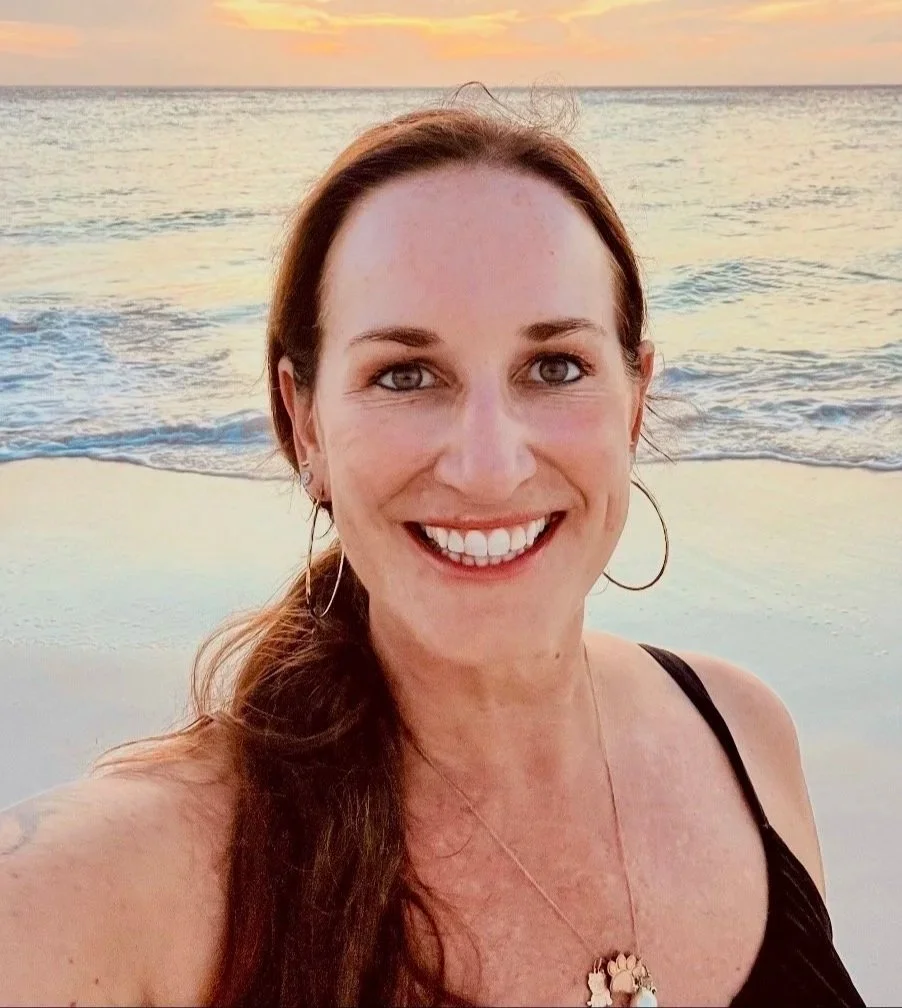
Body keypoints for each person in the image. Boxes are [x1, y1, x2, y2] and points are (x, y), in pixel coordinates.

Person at [0, 88, 864, 1008]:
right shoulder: (136, 877)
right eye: (405, 375)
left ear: (635, 399)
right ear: (306, 425)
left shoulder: (745, 734)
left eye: (556, 366)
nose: (489, 467)